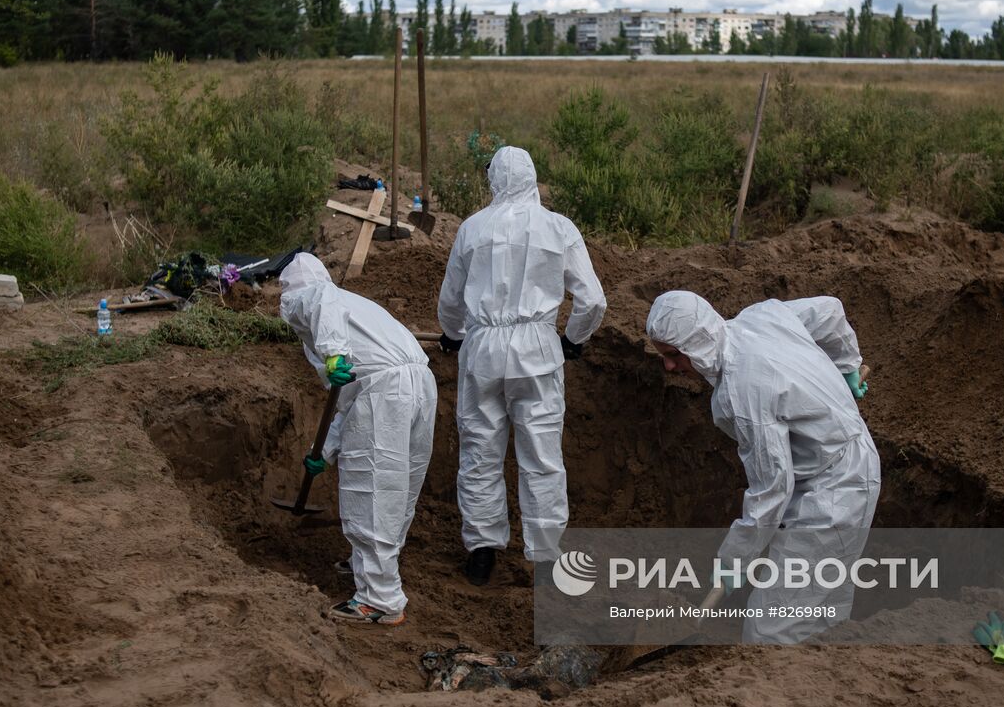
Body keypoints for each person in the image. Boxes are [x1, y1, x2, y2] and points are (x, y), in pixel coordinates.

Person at [645, 291, 880, 643]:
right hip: (835, 466)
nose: (668, 366)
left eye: (674, 355)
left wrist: (733, 560)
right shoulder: (760, 317)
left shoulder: (745, 392)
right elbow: (830, 311)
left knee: (769, 631)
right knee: (822, 612)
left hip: (837, 490)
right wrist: (846, 365)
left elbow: (772, 489)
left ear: (696, 342)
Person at [437, 146, 607, 586]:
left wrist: (453, 334)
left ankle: (482, 550)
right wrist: (573, 338)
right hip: (538, 349)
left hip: (483, 352)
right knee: (542, 456)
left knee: (479, 450)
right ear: (533, 177)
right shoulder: (559, 227)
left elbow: (451, 300)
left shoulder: (471, 229)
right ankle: (547, 558)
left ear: (493, 179)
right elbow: (592, 300)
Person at [279, 252, 437, 626]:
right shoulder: (359, 307)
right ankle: (368, 567)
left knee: (372, 490)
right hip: (416, 386)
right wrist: (327, 452)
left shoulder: (318, 299)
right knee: (398, 488)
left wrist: (333, 354)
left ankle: (379, 599)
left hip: (385, 392)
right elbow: (350, 399)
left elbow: (320, 305)